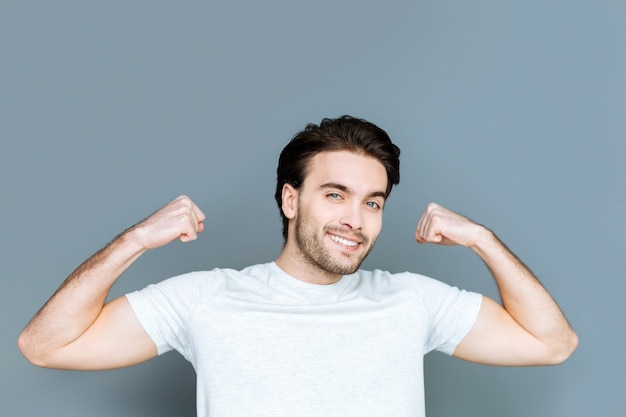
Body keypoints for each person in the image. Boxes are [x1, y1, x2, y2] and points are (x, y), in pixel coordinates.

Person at [18, 115, 577, 417]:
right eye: (335, 195)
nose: (355, 218)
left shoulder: (413, 300)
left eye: (372, 201)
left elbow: (552, 344)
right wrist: (136, 240)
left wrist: (482, 240)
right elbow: (45, 346)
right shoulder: (205, 299)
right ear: (291, 201)